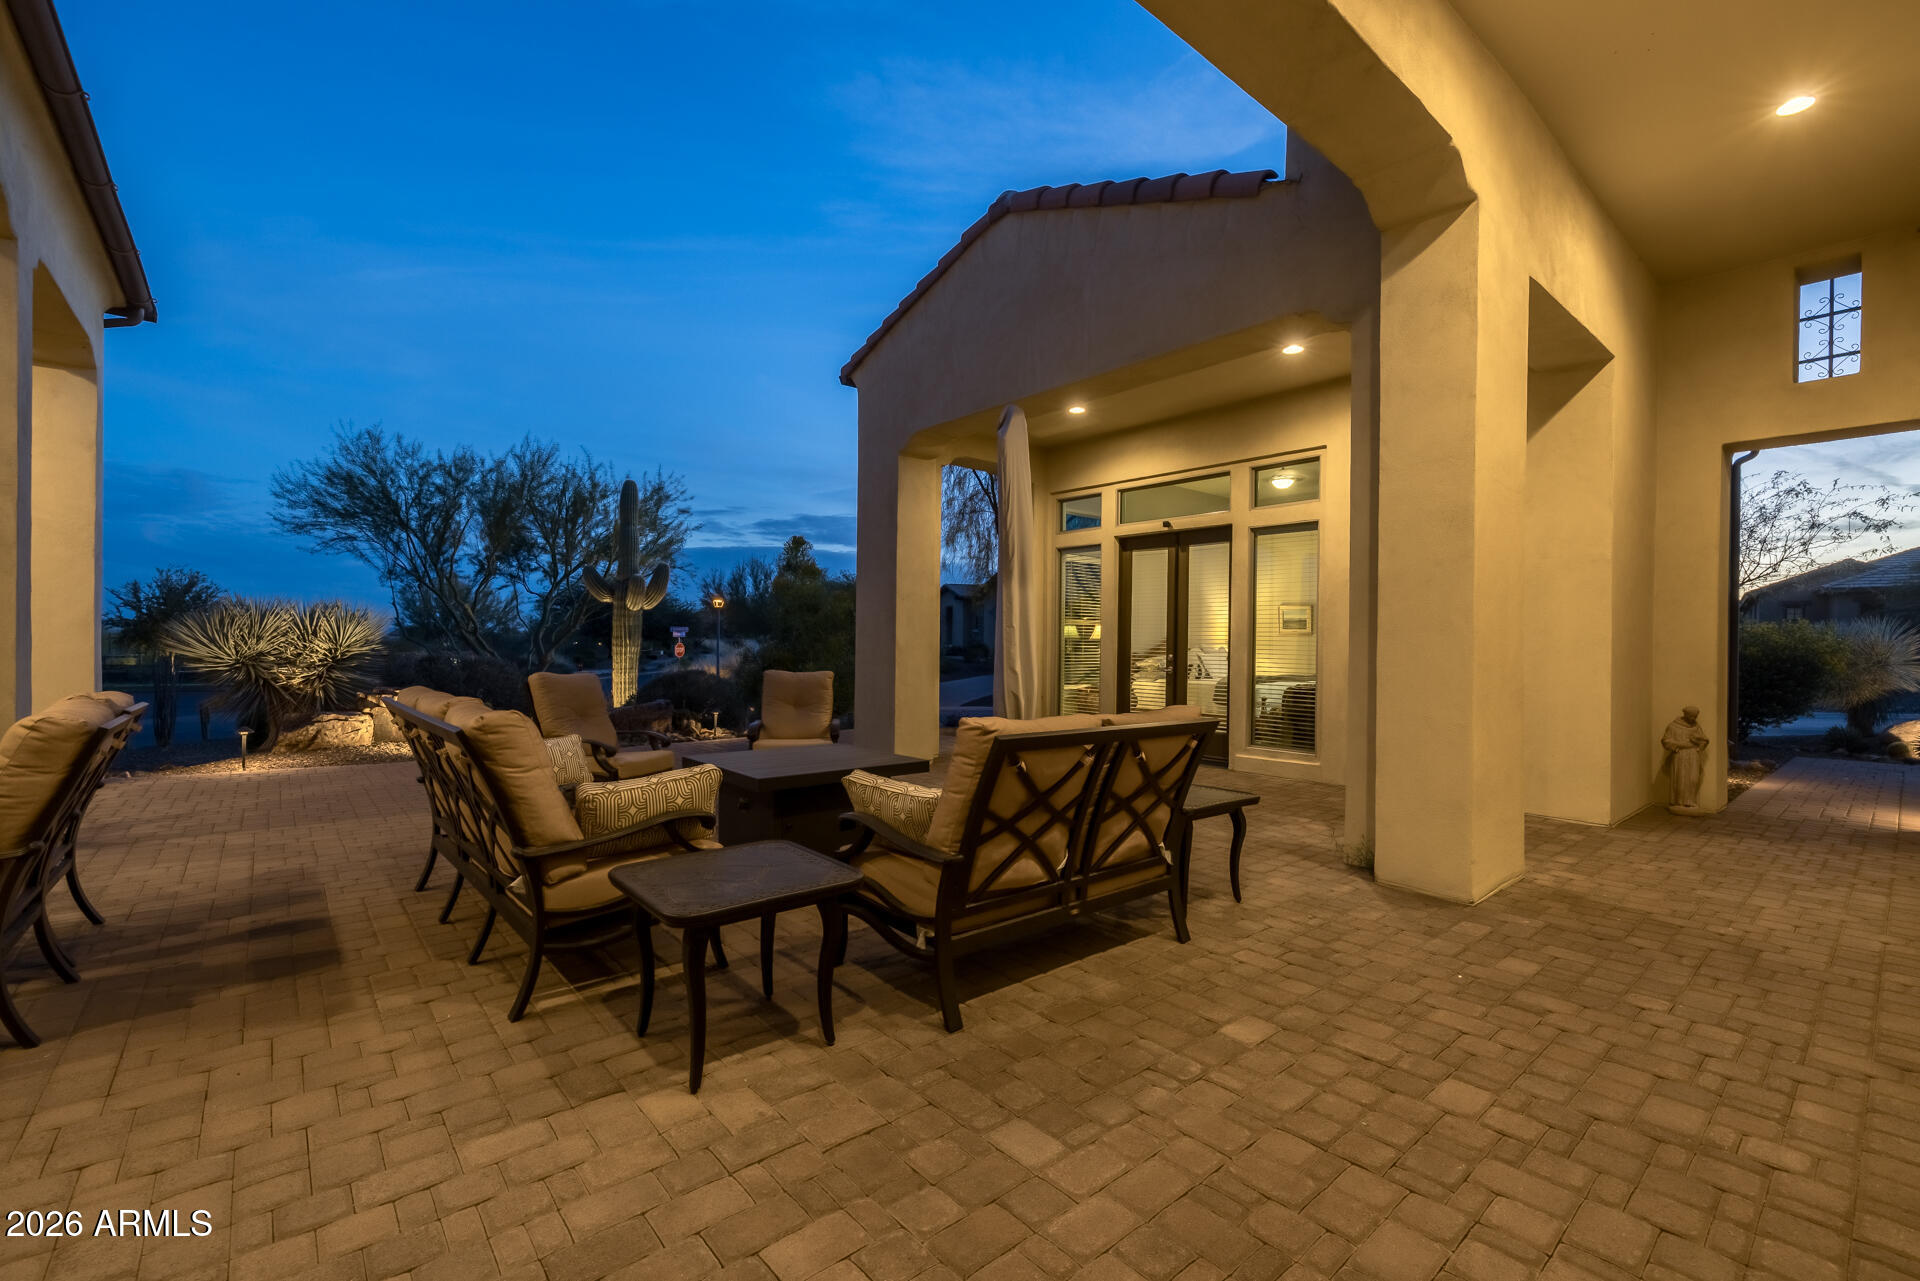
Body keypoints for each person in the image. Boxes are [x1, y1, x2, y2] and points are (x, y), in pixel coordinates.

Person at [1662, 705, 1710, 814]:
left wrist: (1699, 743)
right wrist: (1680, 745)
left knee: (1693, 778)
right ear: (1685, 714)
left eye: (1695, 717)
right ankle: (1679, 802)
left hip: (1693, 755)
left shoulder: (1696, 726)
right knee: (1681, 778)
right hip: (1680, 755)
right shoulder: (1673, 726)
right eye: (1692, 716)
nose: (1694, 719)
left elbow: (1704, 740)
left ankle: (1690, 801)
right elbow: (1666, 741)